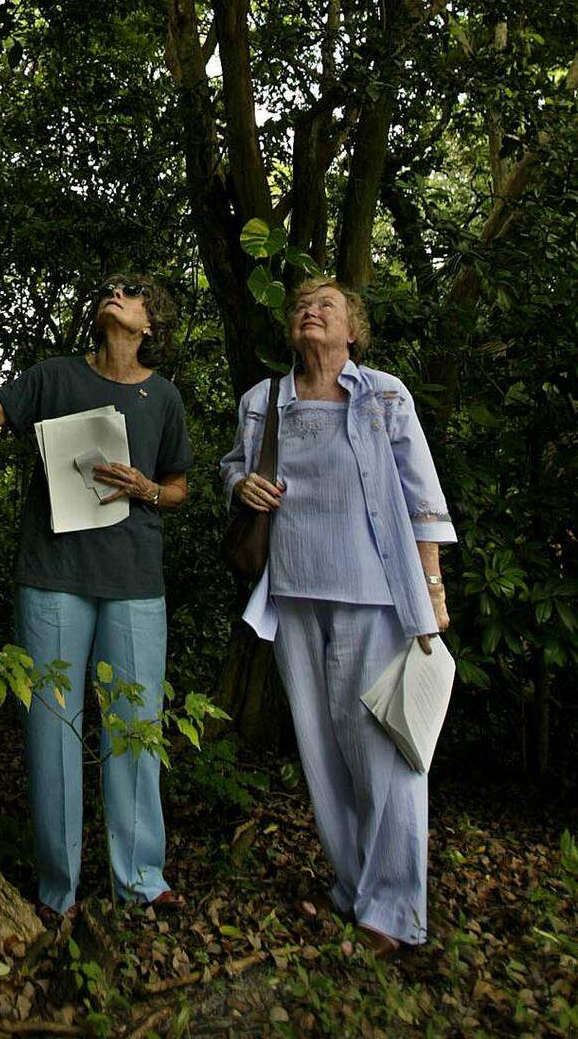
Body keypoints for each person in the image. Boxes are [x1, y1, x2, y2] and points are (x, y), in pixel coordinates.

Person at [221, 277, 456, 956]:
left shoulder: (383, 393)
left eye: (326, 304)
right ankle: (357, 890)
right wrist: (241, 483)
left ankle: (395, 908)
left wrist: (433, 588)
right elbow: (231, 469)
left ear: (353, 330)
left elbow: (422, 494)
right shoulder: (264, 401)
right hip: (293, 594)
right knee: (321, 751)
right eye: (300, 305)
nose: (309, 311)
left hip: (377, 595)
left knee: (385, 749)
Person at [0, 275, 192, 924]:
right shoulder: (53, 377)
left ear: (150, 324)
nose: (118, 292)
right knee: (52, 731)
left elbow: (178, 488)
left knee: (133, 728)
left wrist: (147, 487)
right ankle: (57, 891)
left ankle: (141, 879)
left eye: (134, 291)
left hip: (135, 582)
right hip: (52, 576)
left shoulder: (163, 396)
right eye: (112, 287)